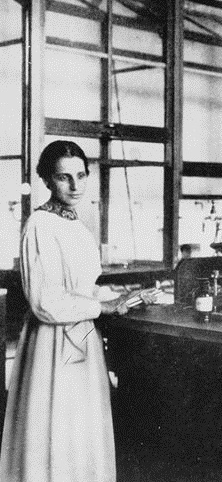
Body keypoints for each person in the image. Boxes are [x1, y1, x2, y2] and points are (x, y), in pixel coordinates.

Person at [0, 140, 130, 482]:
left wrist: (113, 294)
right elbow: (46, 301)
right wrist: (101, 306)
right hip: (51, 345)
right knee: (54, 433)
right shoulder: (40, 225)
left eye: (81, 175)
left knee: (80, 435)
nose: (74, 185)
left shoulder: (77, 224)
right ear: (46, 180)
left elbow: (81, 284)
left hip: (82, 338)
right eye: (63, 177)